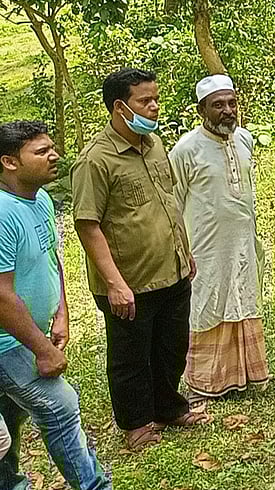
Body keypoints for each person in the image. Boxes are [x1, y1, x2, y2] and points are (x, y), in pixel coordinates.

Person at [72, 69, 206, 452]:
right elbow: (87, 225)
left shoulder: (155, 144)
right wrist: (115, 283)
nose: (154, 107)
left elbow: (166, 203)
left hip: (172, 269)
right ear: (119, 106)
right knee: (131, 356)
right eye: (144, 101)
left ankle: (168, 407)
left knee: (170, 347)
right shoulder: (95, 160)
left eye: (155, 99)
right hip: (129, 280)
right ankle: (136, 424)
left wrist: (184, 251)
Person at [0, 121, 110, 488]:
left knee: (7, 423)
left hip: (31, 333)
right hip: (9, 343)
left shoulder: (41, 198)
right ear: (9, 162)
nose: (54, 156)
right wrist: (43, 349)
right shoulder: (2, 213)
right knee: (60, 407)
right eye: (41, 151)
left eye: (52, 147)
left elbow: (51, 256)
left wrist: (60, 312)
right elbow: (1, 295)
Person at [169, 76, 270, 402]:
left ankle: (246, 375)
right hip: (205, 247)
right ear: (202, 110)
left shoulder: (245, 139)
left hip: (242, 241)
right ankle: (204, 384)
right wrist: (183, 250)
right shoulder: (186, 149)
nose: (228, 111)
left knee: (243, 297)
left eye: (232, 103)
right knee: (207, 305)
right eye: (218, 105)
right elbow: (174, 203)